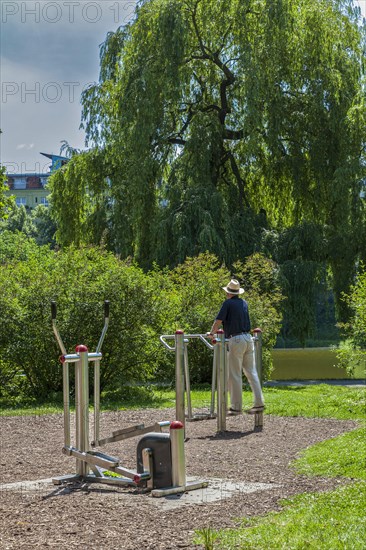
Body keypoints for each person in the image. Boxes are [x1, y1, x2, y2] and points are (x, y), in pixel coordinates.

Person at [208, 279, 265, 415]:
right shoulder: (243, 303)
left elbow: (218, 321)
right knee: (251, 372)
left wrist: (211, 333)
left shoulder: (228, 303)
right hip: (248, 338)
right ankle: (259, 403)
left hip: (236, 339)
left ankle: (236, 407)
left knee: (234, 374)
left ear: (228, 293)